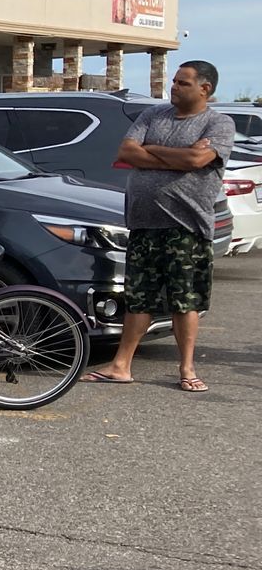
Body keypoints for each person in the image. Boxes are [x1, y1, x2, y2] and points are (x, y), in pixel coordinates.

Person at [82, 60, 234, 392]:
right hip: (143, 223)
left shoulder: (218, 123)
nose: (173, 87)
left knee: (185, 299)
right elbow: (126, 151)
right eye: (174, 81)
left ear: (204, 88)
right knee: (139, 298)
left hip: (186, 227)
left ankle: (187, 368)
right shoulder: (153, 115)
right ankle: (121, 365)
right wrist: (176, 156)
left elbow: (197, 161)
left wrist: (150, 151)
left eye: (182, 83)